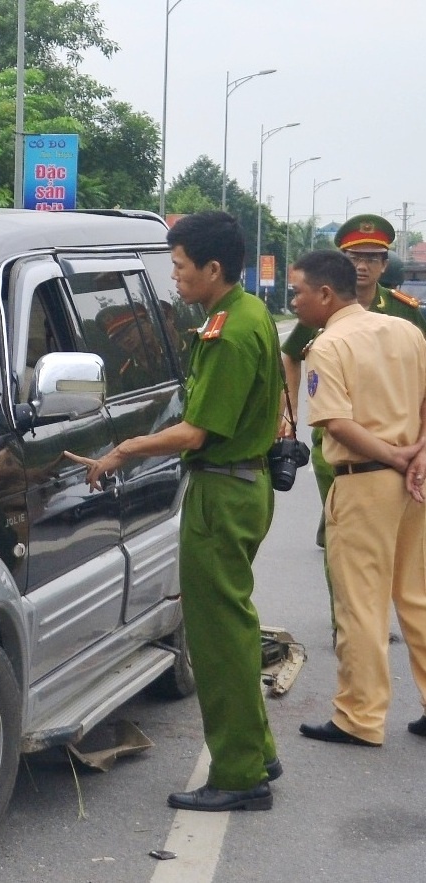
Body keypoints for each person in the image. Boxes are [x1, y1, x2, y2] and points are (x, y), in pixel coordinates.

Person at [63, 211, 282, 811]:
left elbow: (196, 432)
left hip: (221, 493)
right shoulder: (246, 311)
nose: (175, 278)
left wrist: (123, 450)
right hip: (239, 486)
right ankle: (256, 749)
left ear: (213, 269)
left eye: (182, 268)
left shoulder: (230, 334)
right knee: (233, 626)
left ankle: (239, 777)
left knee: (217, 640)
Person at [290, 249, 426, 747]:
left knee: (361, 605)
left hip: (366, 482)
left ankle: (361, 716)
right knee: (416, 596)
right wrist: (416, 456)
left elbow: (336, 422)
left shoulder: (327, 347)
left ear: (325, 294)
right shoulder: (406, 330)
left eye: (298, 292)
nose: (294, 301)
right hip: (415, 481)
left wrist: (394, 457)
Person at [280, 214, 426, 624]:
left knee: (398, 541)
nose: (363, 265)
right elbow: (290, 358)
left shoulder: (405, 313)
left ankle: (374, 613)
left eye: (373, 258)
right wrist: (289, 418)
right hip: (341, 445)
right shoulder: (319, 308)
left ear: (385, 265)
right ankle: (347, 619)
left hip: (401, 444)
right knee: (345, 538)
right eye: (354, 257)